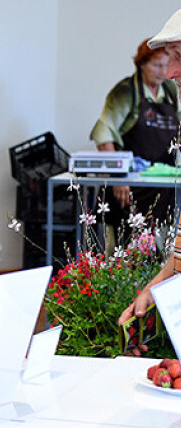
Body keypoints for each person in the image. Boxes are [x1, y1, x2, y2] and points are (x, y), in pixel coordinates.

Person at [118, 9, 181, 327]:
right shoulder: (125, 92)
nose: (170, 72)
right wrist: (155, 288)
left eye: (178, 57)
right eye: (167, 59)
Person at [90, 38, 180, 246]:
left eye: (167, 65)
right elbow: (104, 136)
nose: (163, 72)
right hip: (129, 190)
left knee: (160, 254)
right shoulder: (125, 92)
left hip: (162, 188)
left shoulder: (171, 92)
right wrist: (119, 176)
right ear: (141, 64)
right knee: (124, 255)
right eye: (157, 65)